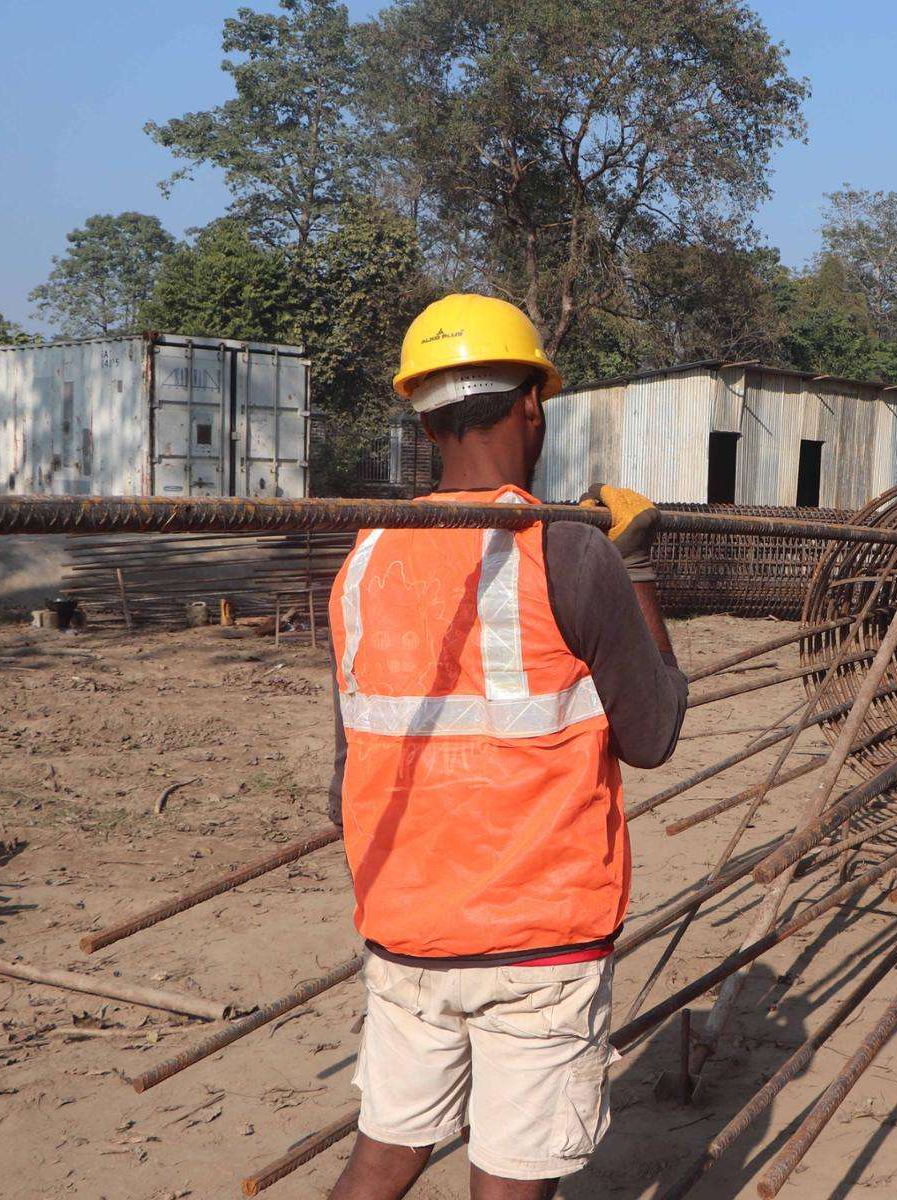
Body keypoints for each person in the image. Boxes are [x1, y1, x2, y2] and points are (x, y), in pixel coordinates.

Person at [325, 294, 688, 1200]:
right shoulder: (567, 549)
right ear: (532, 403)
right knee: (515, 1179)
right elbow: (654, 734)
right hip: (538, 942)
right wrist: (638, 565)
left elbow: (348, 774)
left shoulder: (364, 560)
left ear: (425, 418)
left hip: (406, 932)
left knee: (383, 1153)